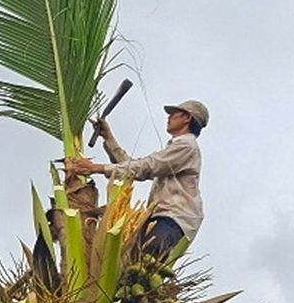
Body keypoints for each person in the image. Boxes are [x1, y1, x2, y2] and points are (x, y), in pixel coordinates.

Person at [68, 99, 209, 255]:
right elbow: (133, 166)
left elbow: (146, 167)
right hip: (163, 218)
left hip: (173, 220)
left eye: (173, 114)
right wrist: (108, 138)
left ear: (187, 118)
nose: (168, 118)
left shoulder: (186, 146)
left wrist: (97, 168)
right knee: (132, 263)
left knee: (143, 263)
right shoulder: (179, 147)